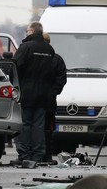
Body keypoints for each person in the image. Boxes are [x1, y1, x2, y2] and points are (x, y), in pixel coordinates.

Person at [10, 21, 54, 165]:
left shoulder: (25, 47)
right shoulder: (49, 49)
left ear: (32, 31)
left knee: (25, 124)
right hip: (44, 94)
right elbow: (52, 72)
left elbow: (15, 67)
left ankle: (25, 155)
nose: (26, 32)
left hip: (27, 92)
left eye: (27, 30)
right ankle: (38, 155)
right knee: (39, 125)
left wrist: (16, 85)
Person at [42, 33, 67, 164]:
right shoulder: (57, 59)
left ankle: (35, 153)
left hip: (37, 99)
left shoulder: (36, 58)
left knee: (35, 125)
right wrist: (53, 93)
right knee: (48, 128)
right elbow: (61, 79)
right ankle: (46, 154)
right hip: (50, 100)